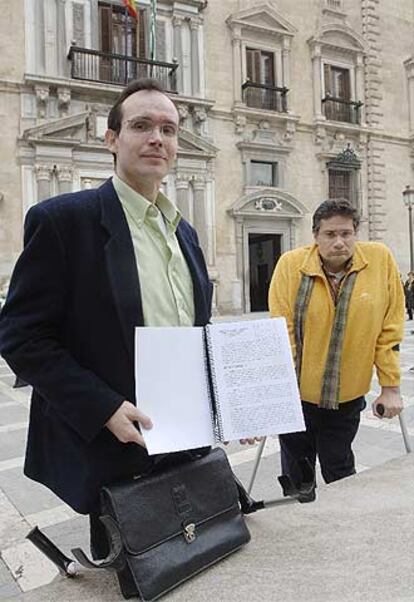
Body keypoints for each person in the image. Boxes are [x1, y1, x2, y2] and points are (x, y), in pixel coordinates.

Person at [0, 78, 214, 557]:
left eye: (168, 128)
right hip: (114, 446)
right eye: (141, 126)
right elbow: (21, 337)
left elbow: (197, 332)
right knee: (132, 574)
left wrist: (229, 397)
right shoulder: (62, 221)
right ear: (112, 139)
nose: (157, 138)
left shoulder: (187, 236)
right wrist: (102, 408)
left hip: (186, 441)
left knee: (195, 559)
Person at [268, 199, 404, 500]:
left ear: (356, 233)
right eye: (330, 234)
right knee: (297, 475)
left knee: (339, 467)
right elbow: (281, 330)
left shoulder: (379, 260)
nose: (339, 242)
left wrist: (390, 386)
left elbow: (390, 328)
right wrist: (274, 394)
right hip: (297, 398)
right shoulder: (291, 265)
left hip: (346, 397)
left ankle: (345, 527)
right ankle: (300, 531)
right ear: (316, 236)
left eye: (346, 233)